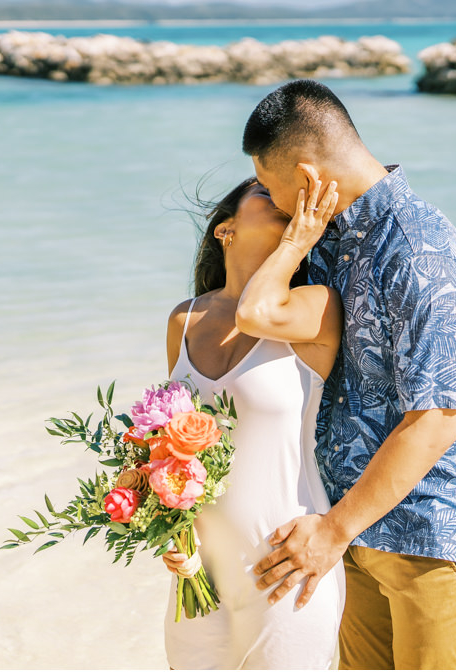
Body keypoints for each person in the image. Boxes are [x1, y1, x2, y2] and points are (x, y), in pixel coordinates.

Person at [244, 79, 456, 670]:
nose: (272, 202)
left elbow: (438, 418)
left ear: (305, 170)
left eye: (271, 187)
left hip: (433, 525)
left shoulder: (421, 251)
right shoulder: (326, 240)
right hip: (355, 529)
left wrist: (331, 531)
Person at [160, 176, 347, 669]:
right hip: (199, 576)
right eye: (266, 195)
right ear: (225, 229)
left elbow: (256, 311)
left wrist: (296, 242)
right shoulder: (186, 320)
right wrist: (168, 531)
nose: (283, 202)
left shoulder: (314, 309)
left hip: (286, 568)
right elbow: (170, 449)